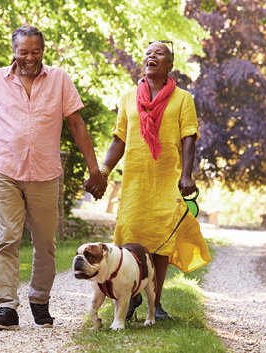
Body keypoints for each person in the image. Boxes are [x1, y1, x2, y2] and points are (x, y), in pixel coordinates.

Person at [0, 25, 107, 330]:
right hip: (5, 170)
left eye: (36, 51)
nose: (30, 57)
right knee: (8, 240)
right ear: (14, 51)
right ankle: (6, 308)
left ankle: (39, 301)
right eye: (23, 51)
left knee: (45, 243)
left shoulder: (59, 79)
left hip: (45, 174)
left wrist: (94, 169)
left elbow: (76, 125)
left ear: (43, 51)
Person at [85, 41, 212, 320]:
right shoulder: (129, 97)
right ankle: (130, 297)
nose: (151, 56)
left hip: (167, 179)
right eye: (148, 53)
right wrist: (103, 172)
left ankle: (157, 303)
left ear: (169, 66)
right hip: (135, 180)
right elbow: (120, 138)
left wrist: (187, 175)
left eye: (160, 53)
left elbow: (188, 137)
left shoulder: (183, 99)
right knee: (130, 236)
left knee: (160, 242)